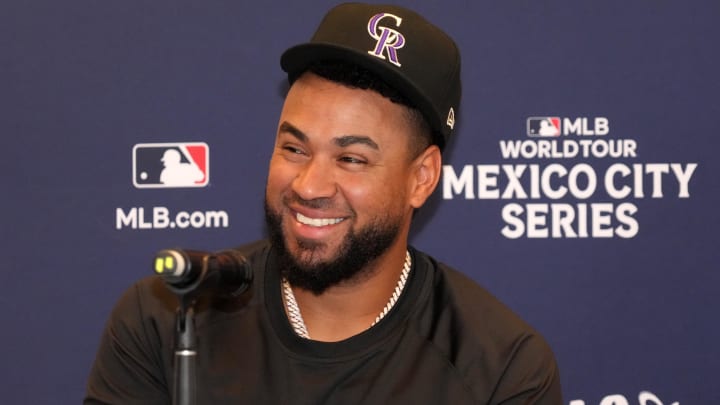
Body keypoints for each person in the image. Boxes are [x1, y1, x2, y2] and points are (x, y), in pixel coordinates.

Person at [85, 3, 563, 404]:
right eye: (294, 149)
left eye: (352, 158)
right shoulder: (168, 318)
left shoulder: (501, 368)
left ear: (422, 177)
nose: (310, 185)